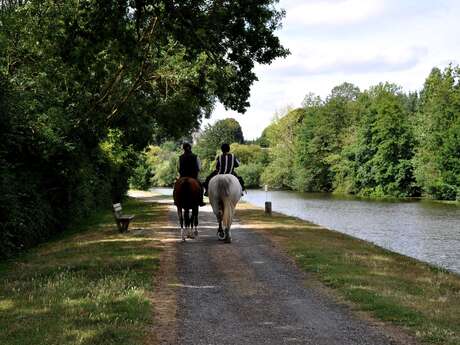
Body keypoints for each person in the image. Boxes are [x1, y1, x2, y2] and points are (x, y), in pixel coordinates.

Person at [178, 142, 205, 206]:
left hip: (183, 176)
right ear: (190, 148)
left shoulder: (180, 157)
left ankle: (176, 200)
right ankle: (200, 201)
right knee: (201, 187)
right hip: (194, 177)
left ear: (183, 149)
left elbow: (178, 168)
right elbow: (199, 168)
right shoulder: (196, 157)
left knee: (176, 186)